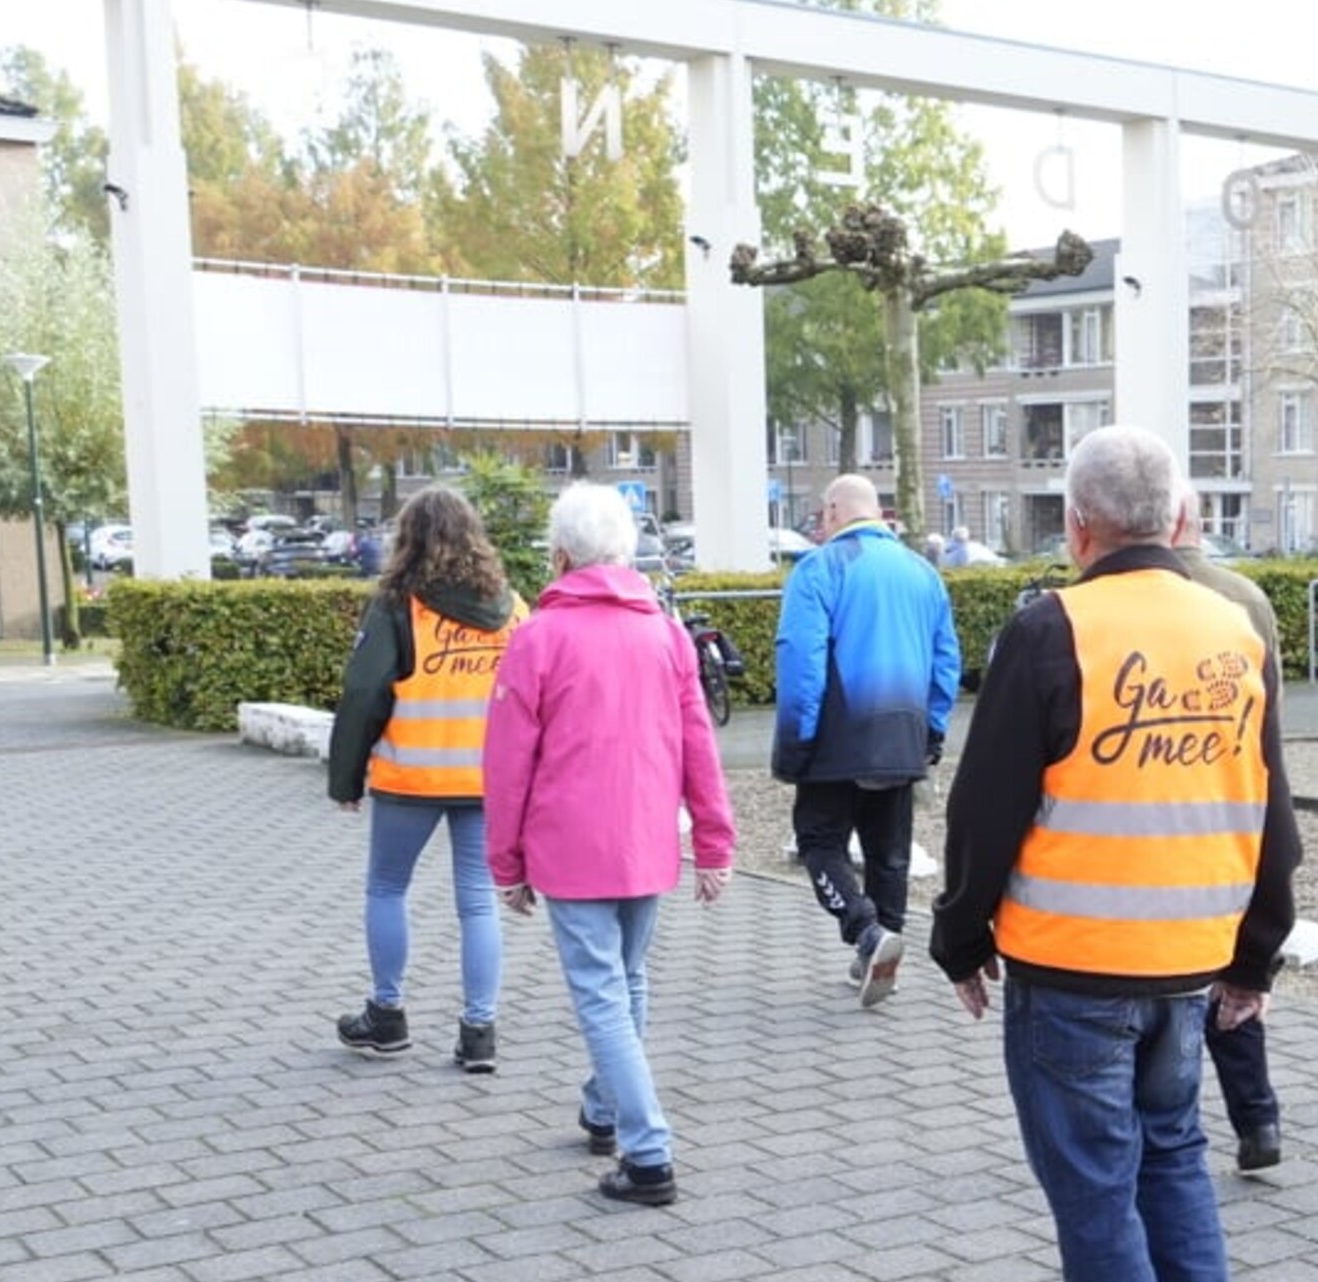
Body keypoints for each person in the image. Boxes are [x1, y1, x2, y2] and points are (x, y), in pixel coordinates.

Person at [932, 425, 1299, 1282]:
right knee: (1172, 1153)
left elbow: (984, 808)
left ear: (1076, 525)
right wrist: (1255, 957)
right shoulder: (1236, 627)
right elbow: (1271, 811)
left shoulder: (1051, 628)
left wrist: (960, 935)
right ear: (1180, 519)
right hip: (1188, 960)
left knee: (1096, 1187)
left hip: (1074, 965)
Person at [485, 482, 739, 1209]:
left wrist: (506, 861)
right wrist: (713, 841)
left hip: (569, 844)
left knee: (602, 993)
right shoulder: (665, 634)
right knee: (626, 980)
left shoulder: (538, 637)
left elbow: (507, 762)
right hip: (645, 840)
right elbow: (698, 744)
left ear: (561, 556)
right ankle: (602, 1107)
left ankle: (648, 1150)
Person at [324, 487, 523, 1073]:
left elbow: (364, 692)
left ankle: (387, 1016)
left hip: (411, 777)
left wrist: (345, 779)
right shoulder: (513, 609)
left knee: (387, 888)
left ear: (407, 540)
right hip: (486, 780)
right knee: (478, 901)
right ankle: (480, 1031)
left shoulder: (398, 606)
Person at [774, 475, 958, 1007]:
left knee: (819, 842)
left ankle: (866, 931)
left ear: (834, 510)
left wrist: (795, 744)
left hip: (839, 734)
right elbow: (946, 661)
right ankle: (880, 960)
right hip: (904, 733)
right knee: (889, 854)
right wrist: (931, 731)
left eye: (821, 513)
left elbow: (801, 661)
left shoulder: (819, 569)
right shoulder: (924, 574)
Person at [1170, 483, 1288, 1172]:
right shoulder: (1247, 596)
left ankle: (1171, 1121)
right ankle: (1257, 1118)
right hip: (1233, 805)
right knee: (1232, 969)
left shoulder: (1118, 597)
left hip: (1158, 810)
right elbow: (1271, 714)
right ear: (1194, 519)